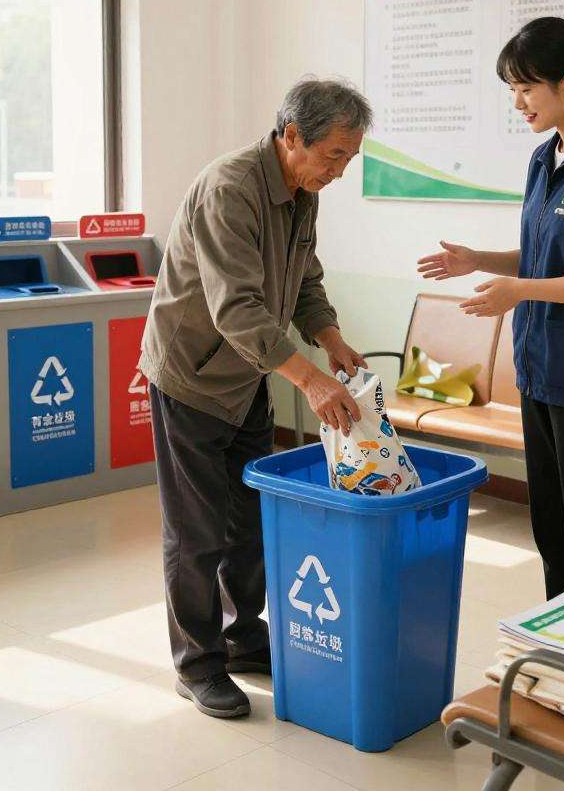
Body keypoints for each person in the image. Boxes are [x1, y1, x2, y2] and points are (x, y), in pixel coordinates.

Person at [140, 78, 372, 718]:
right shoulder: (230, 189)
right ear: (290, 136)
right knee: (197, 531)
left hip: (247, 379)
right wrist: (311, 380)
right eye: (332, 156)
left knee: (249, 523)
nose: (339, 171)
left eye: (349, 159)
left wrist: (330, 340)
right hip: (192, 377)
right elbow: (236, 309)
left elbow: (304, 278)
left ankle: (243, 639)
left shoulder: (303, 191)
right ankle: (197, 663)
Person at [418, 17, 564, 601]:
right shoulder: (544, 158)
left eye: (527, 89)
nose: (518, 103)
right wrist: (481, 259)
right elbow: (549, 254)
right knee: (552, 528)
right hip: (543, 371)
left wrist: (519, 291)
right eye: (512, 91)